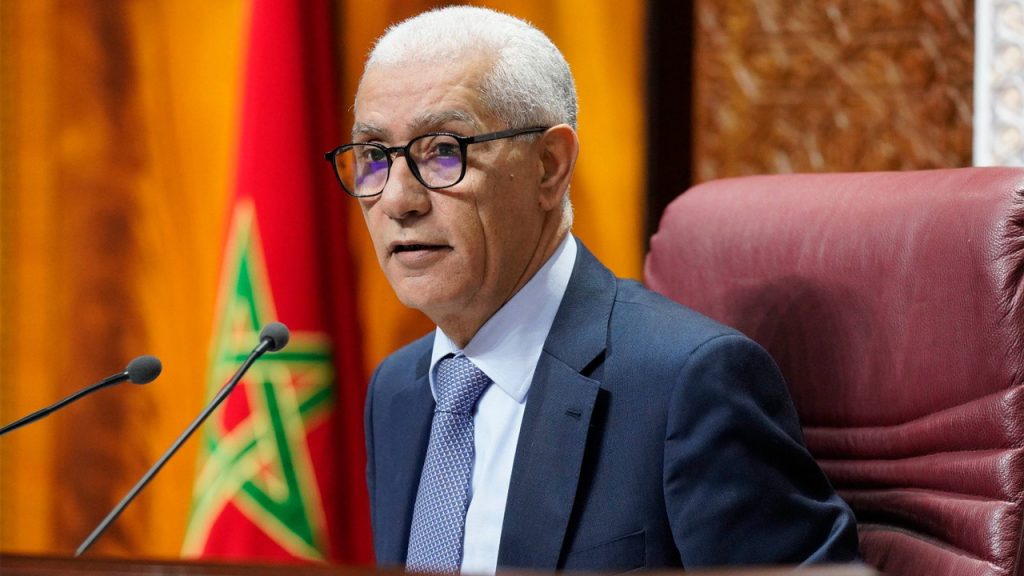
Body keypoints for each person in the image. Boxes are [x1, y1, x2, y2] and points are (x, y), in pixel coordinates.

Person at [326, 6, 860, 574]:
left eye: (443, 151)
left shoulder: (687, 384)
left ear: (549, 166)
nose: (397, 200)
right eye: (374, 156)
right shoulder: (399, 389)